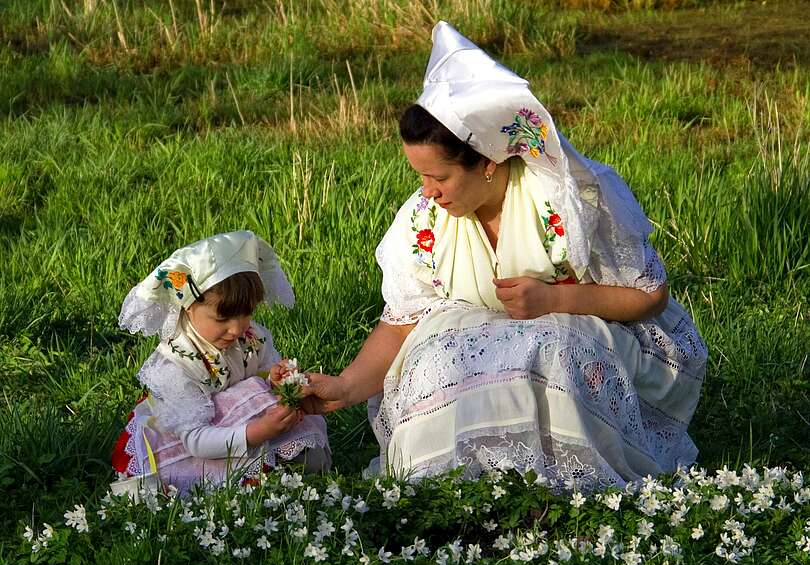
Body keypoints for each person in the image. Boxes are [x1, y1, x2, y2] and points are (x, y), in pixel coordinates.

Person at [303, 22, 707, 491]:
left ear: (489, 163)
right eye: (420, 177)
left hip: (581, 322)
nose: (427, 192)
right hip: (474, 333)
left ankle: (555, 491)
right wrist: (346, 386)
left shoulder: (568, 200)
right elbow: (401, 322)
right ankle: (450, 492)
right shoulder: (424, 221)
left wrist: (557, 301)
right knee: (435, 355)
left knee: (547, 350)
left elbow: (650, 297)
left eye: (439, 177)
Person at [112, 230, 330, 496]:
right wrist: (255, 433)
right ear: (189, 307)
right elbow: (195, 439)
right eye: (222, 318)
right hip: (196, 443)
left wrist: (274, 377)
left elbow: (259, 373)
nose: (237, 328)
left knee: (313, 452)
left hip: (245, 426)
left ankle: (278, 469)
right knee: (197, 486)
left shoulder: (253, 338)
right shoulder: (175, 366)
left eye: (247, 313)